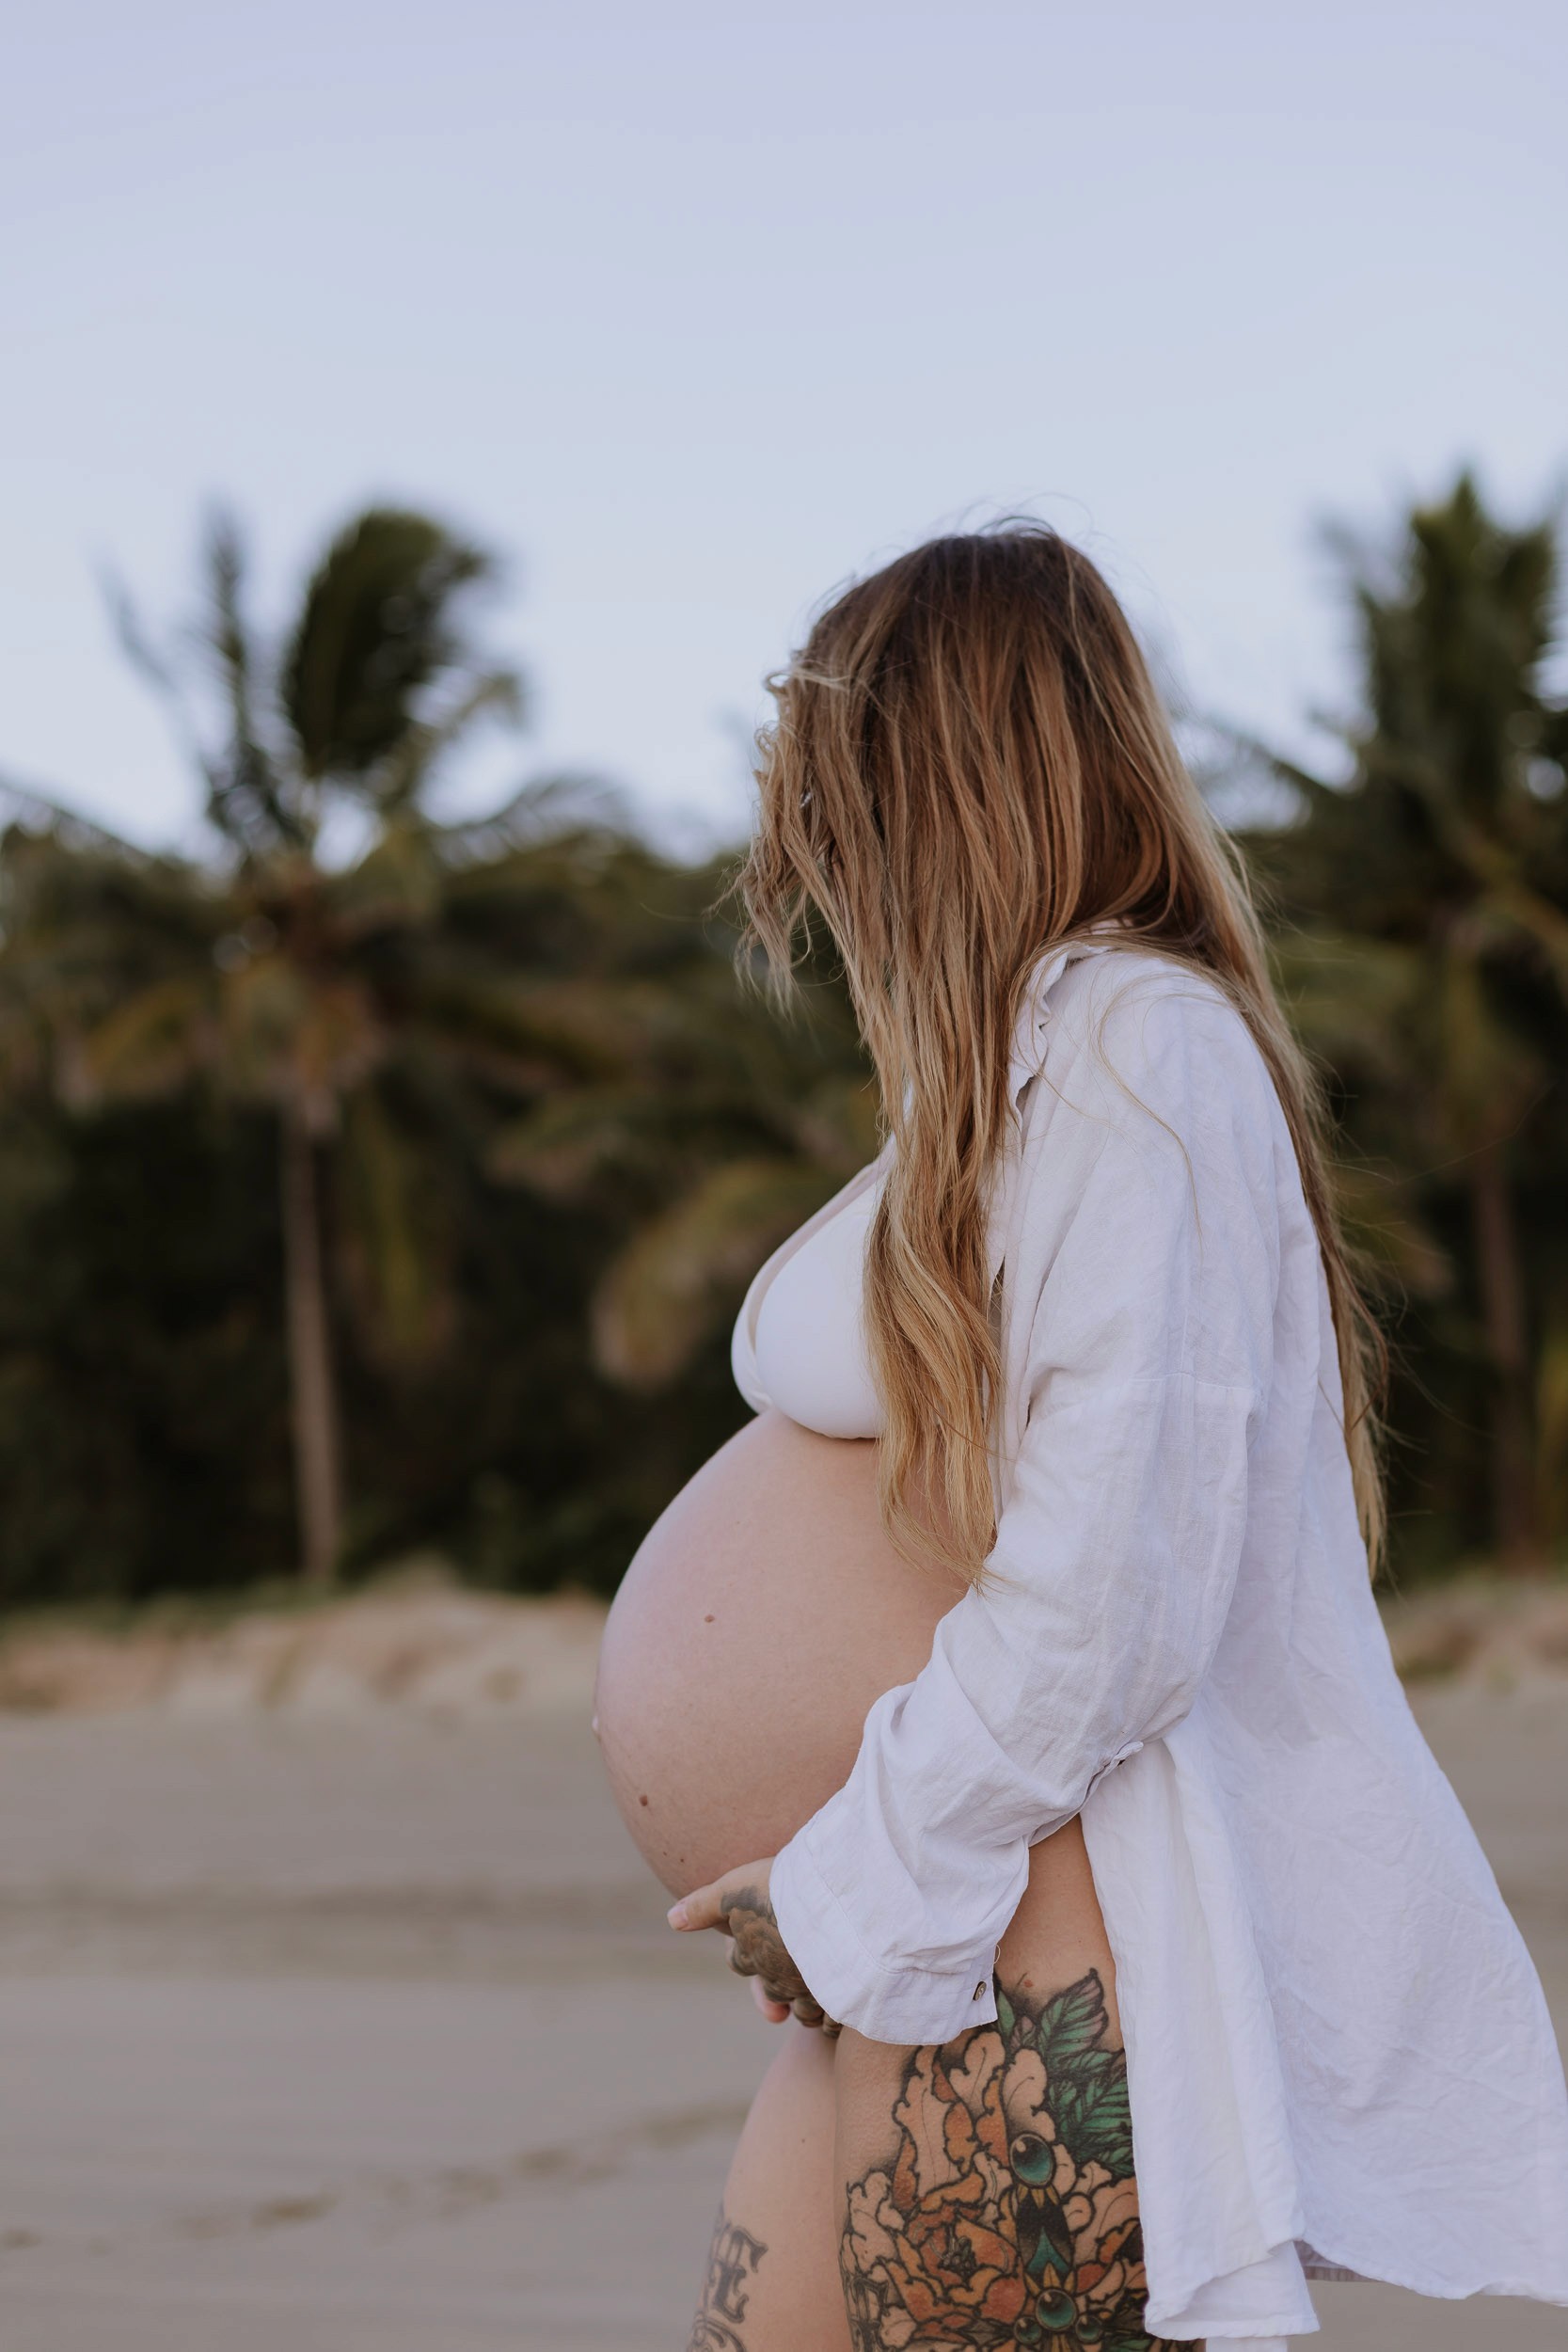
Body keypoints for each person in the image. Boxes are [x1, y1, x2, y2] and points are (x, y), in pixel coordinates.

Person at [601, 524, 1568, 2350]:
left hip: (1024, 1935)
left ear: (939, 784)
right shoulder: (1023, 1085)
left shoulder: (1142, 1051)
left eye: (840, 818)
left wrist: (838, 1877)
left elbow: (1105, 1601)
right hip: (908, 1938)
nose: (827, 892)